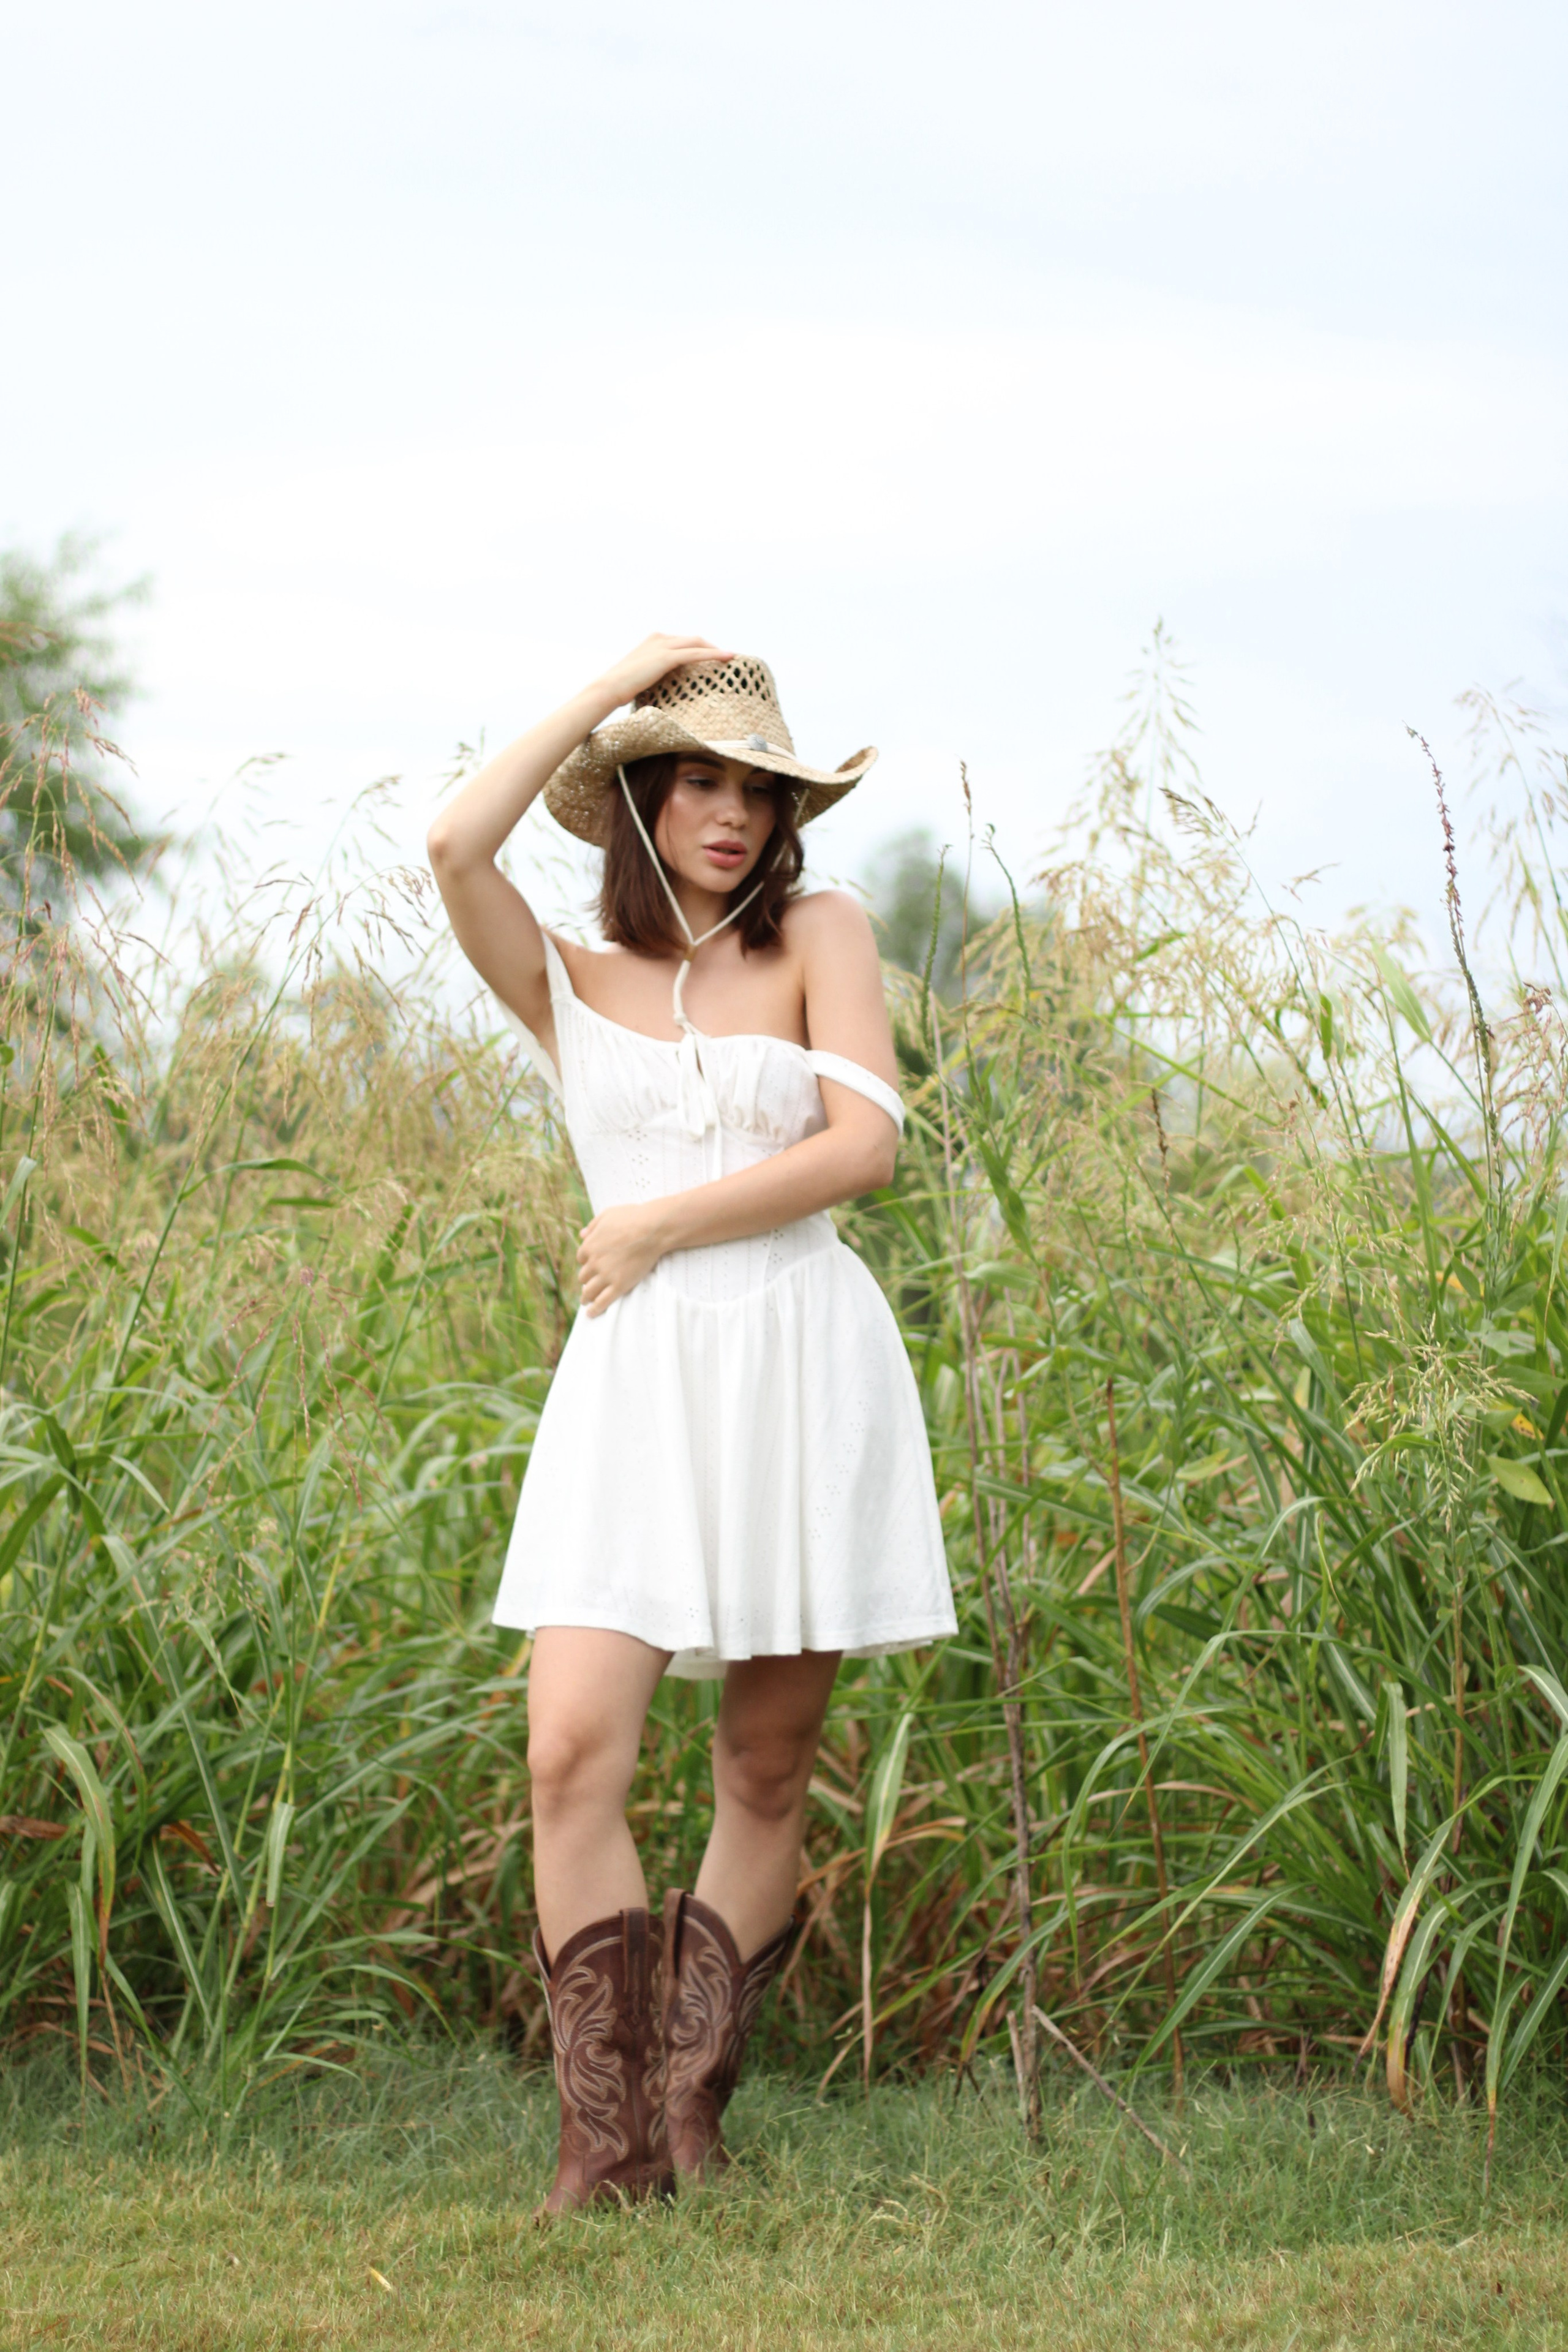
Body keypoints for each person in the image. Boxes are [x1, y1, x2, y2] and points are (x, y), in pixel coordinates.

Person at [427, 635, 956, 2213]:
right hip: (637, 1385)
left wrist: (660, 1227)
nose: (732, 812)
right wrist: (614, 688)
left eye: (759, 788)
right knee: (571, 1747)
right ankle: (605, 2147)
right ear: (644, 798)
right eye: (701, 779)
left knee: (767, 1761)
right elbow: (455, 843)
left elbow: (864, 1148)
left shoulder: (822, 934)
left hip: (801, 1354)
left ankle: (692, 2109)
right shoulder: (569, 981)